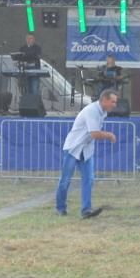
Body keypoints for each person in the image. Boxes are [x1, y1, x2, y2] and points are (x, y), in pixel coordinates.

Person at [55, 89, 119, 219]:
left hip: (86, 150)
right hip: (73, 148)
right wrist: (109, 135)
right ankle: (60, 208)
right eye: (113, 102)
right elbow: (94, 134)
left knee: (89, 179)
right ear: (104, 100)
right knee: (65, 180)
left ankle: (86, 210)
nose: (114, 105)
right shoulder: (92, 111)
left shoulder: (103, 112)